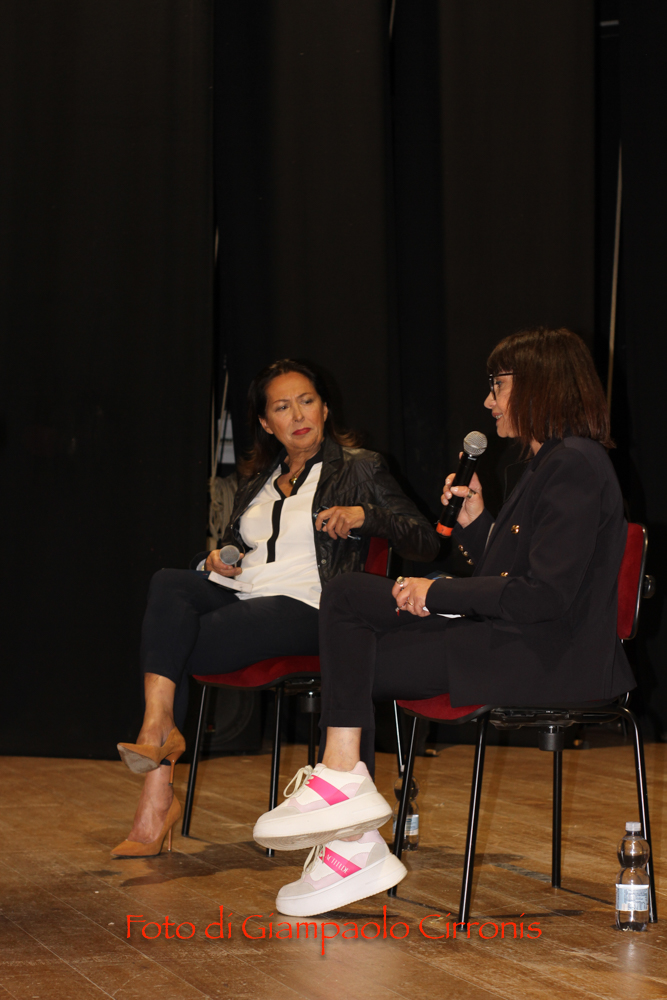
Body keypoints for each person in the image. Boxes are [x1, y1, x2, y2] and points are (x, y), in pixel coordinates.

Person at [253, 327, 636, 916]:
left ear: (537, 385)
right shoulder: (543, 465)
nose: (489, 401)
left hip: (546, 657)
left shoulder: (576, 464)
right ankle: (345, 794)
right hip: (513, 639)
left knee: (352, 661)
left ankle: (351, 832)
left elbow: (543, 596)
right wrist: (478, 521)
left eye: (497, 386)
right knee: (348, 596)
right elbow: (509, 575)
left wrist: (437, 593)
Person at [111, 359, 439, 858]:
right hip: (245, 593)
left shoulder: (361, 466)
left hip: (311, 606)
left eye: (307, 401)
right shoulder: (258, 480)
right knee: (169, 583)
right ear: (266, 423)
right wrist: (219, 558)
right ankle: (158, 731)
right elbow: (235, 543)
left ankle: (157, 791)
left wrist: (366, 515)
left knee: (172, 646)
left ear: (325, 409)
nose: (298, 415)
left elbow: (425, 542)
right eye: (282, 407)